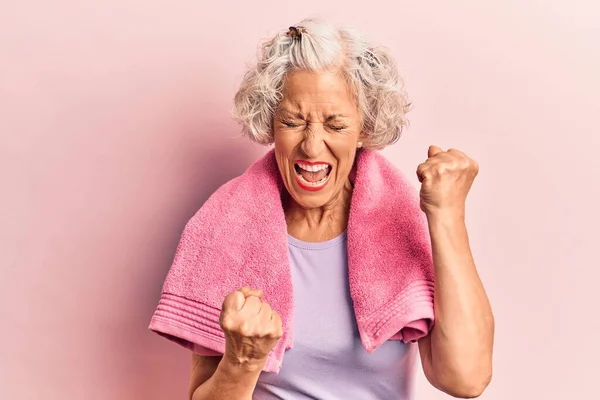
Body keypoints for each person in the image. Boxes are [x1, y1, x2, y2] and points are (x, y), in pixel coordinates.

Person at [155, 18, 494, 400]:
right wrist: (242, 362)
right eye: (293, 121)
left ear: (364, 127)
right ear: (270, 120)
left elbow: (465, 379)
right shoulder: (225, 225)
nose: (312, 147)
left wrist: (448, 217)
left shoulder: (405, 224)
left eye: (335, 125)